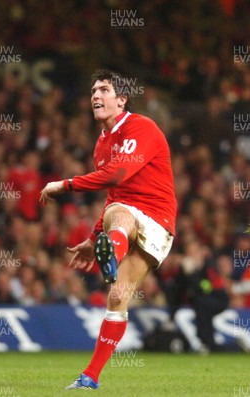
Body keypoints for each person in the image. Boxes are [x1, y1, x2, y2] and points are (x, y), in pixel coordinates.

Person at [40, 69, 176, 390]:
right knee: (117, 296)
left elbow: (116, 178)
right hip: (125, 216)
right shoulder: (102, 145)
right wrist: (91, 239)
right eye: (92, 91)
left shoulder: (141, 127)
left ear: (122, 99)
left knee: (119, 212)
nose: (96, 96)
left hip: (157, 220)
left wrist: (66, 184)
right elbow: (114, 195)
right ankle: (91, 376)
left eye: (104, 89)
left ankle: (111, 253)